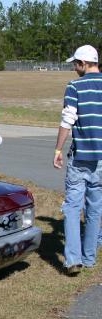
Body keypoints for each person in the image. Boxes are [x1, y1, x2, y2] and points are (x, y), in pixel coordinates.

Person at [53, 45, 102, 275]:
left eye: (75, 63)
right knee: (95, 208)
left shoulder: (74, 86)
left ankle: (73, 259)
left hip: (81, 156)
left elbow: (67, 120)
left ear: (83, 63)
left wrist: (57, 149)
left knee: (73, 207)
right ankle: (90, 257)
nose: (74, 67)